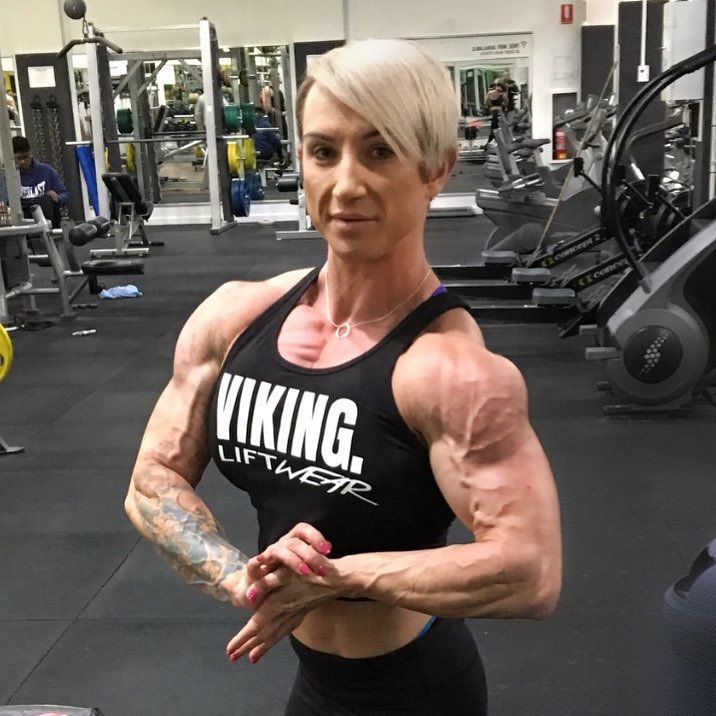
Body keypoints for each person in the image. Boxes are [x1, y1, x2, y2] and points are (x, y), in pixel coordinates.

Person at [124, 38, 562, 716]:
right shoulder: (236, 317)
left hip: (414, 691)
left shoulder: (449, 371)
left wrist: (334, 577)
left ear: (437, 168)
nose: (346, 184)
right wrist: (244, 578)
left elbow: (530, 570)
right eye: (324, 151)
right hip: (313, 682)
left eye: (379, 151)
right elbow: (150, 483)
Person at [12, 135, 68, 228]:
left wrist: (57, 198)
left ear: (30, 153)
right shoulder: (9, 177)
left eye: (26, 157)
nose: (23, 161)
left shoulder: (47, 171)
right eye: (19, 158)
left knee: (45, 200)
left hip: (47, 216)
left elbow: (64, 194)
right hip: (22, 217)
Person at [484, 80, 507, 145]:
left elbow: (486, 102)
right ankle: (494, 142)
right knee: (499, 128)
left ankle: (489, 143)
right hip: (499, 111)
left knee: (494, 127)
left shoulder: (490, 93)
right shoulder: (503, 94)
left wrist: (490, 106)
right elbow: (506, 103)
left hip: (493, 111)